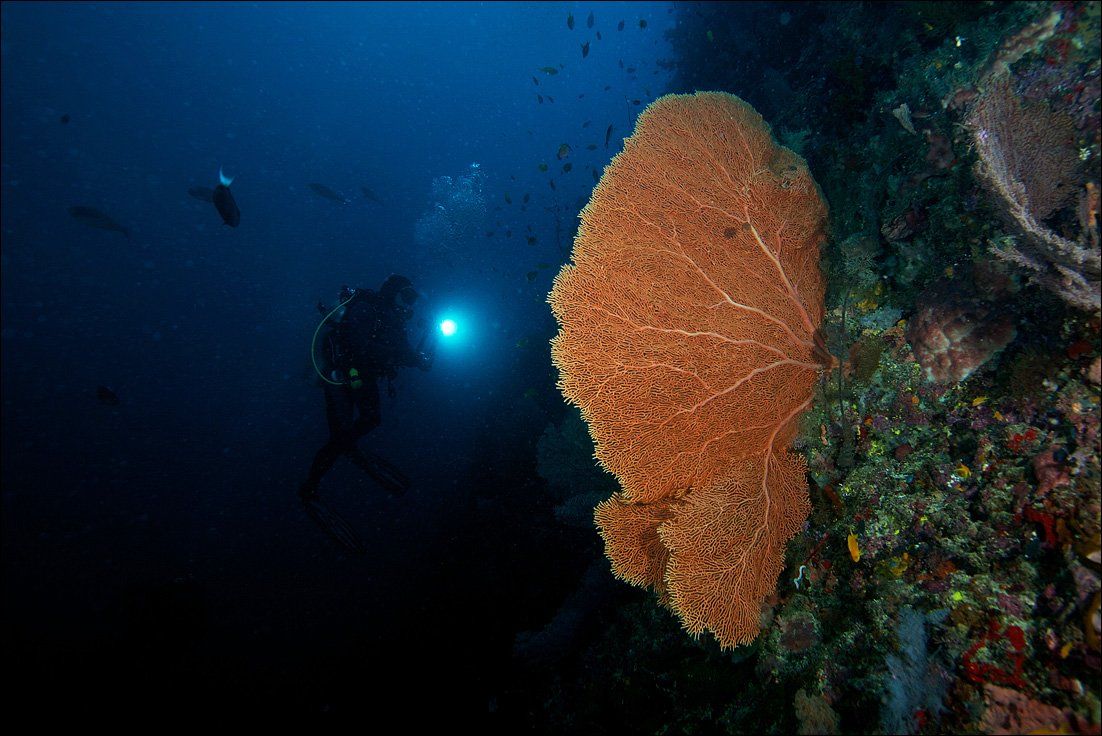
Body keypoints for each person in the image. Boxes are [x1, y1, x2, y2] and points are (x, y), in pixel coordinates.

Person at [300, 274, 433, 508]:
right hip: (342, 376)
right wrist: (404, 356)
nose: (409, 304)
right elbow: (359, 346)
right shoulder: (367, 308)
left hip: (362, 376)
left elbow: (402, 351)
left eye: (412, 298)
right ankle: (311, 485)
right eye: (406, 296)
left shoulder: (392, 319)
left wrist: (418, 359)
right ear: (394, 292)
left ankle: (345, 447)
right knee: (343, 432)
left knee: (369, 420)